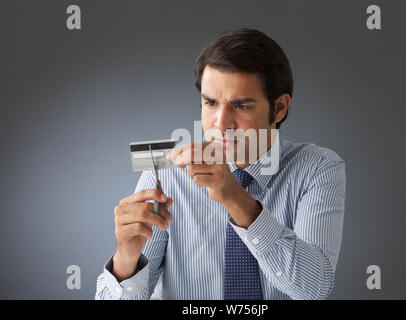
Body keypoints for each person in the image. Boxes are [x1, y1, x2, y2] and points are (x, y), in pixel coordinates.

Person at [95, 28, 346, 300]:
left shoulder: (317, 169)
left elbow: (314, 290)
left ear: (280, 108)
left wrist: (237, 199)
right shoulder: (166, 177)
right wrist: (125, 262)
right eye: (211, 103)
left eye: (241, 106)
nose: (221, 123)